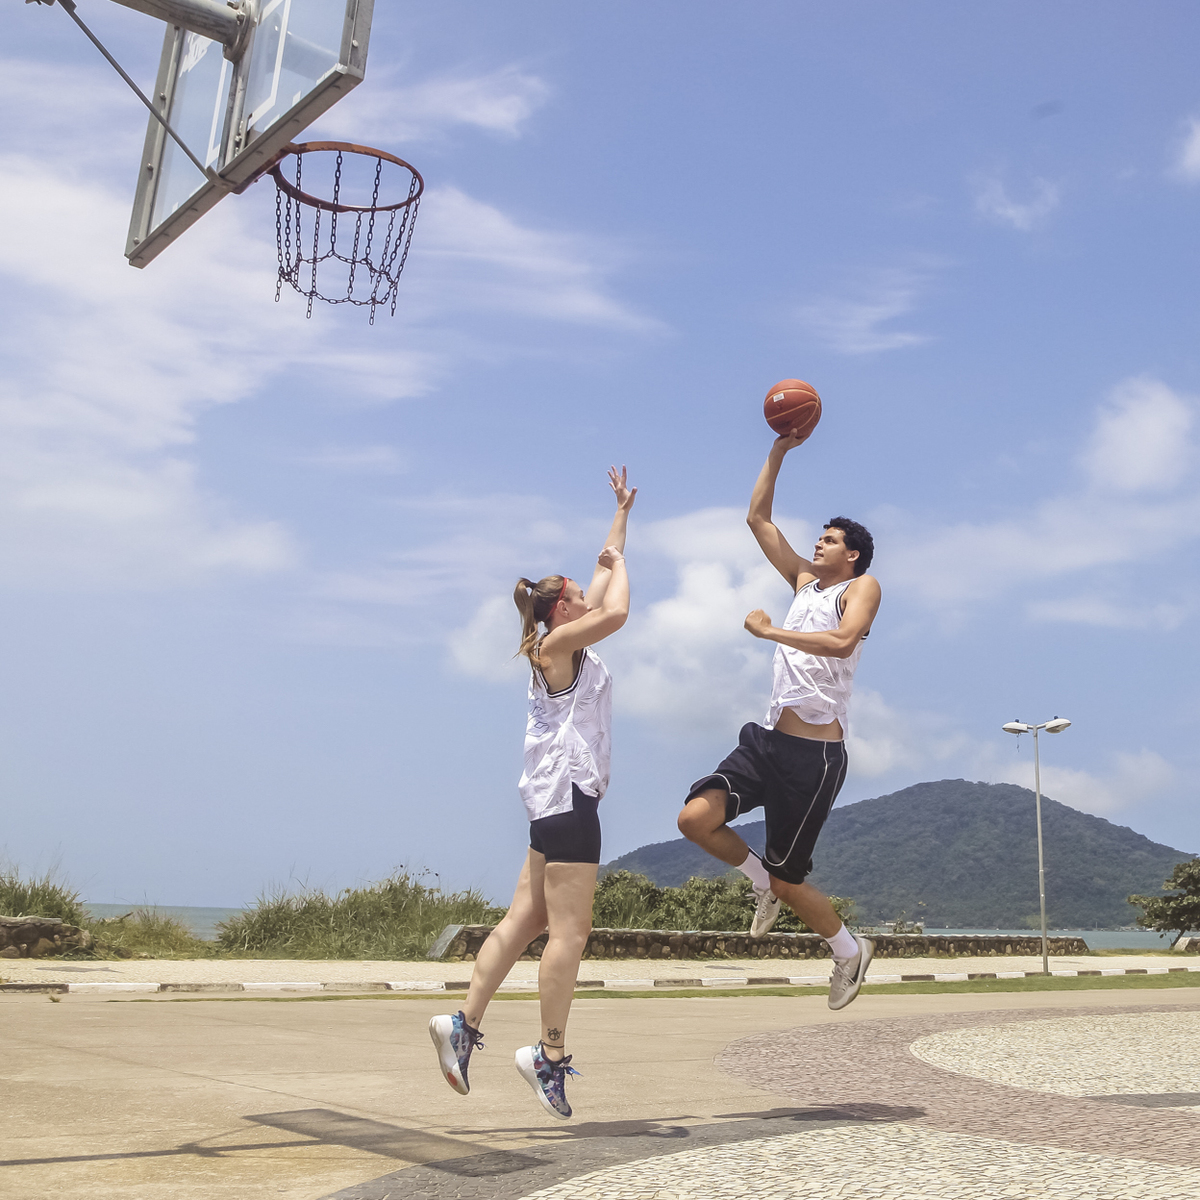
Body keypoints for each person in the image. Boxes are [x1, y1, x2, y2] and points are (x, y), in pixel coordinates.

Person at [429, 466, 636, 1119]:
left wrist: (620, 518)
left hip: (550, 800)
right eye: (577, 592)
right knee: (571, 933)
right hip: (570, 796)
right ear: (561, 609)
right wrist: (615, 568)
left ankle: (461, 1025)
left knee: (527, 919)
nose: (587, 592)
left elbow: (602, 578)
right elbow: (619, 606)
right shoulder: (559, 643)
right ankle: (546, 1056)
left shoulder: (559, 638)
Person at [677, 429, 881, 1010]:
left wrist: (769, 631)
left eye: (831, 539)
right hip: (767, 742)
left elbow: (842, 643)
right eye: (818, 537)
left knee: (793, 881)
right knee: (695, 819)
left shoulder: (861, 588)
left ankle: (847, 950)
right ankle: (760, 881)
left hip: (814, 758)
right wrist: (778, 452)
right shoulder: (804, 582)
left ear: (854, 554)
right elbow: (758, 519)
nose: (819, 544)